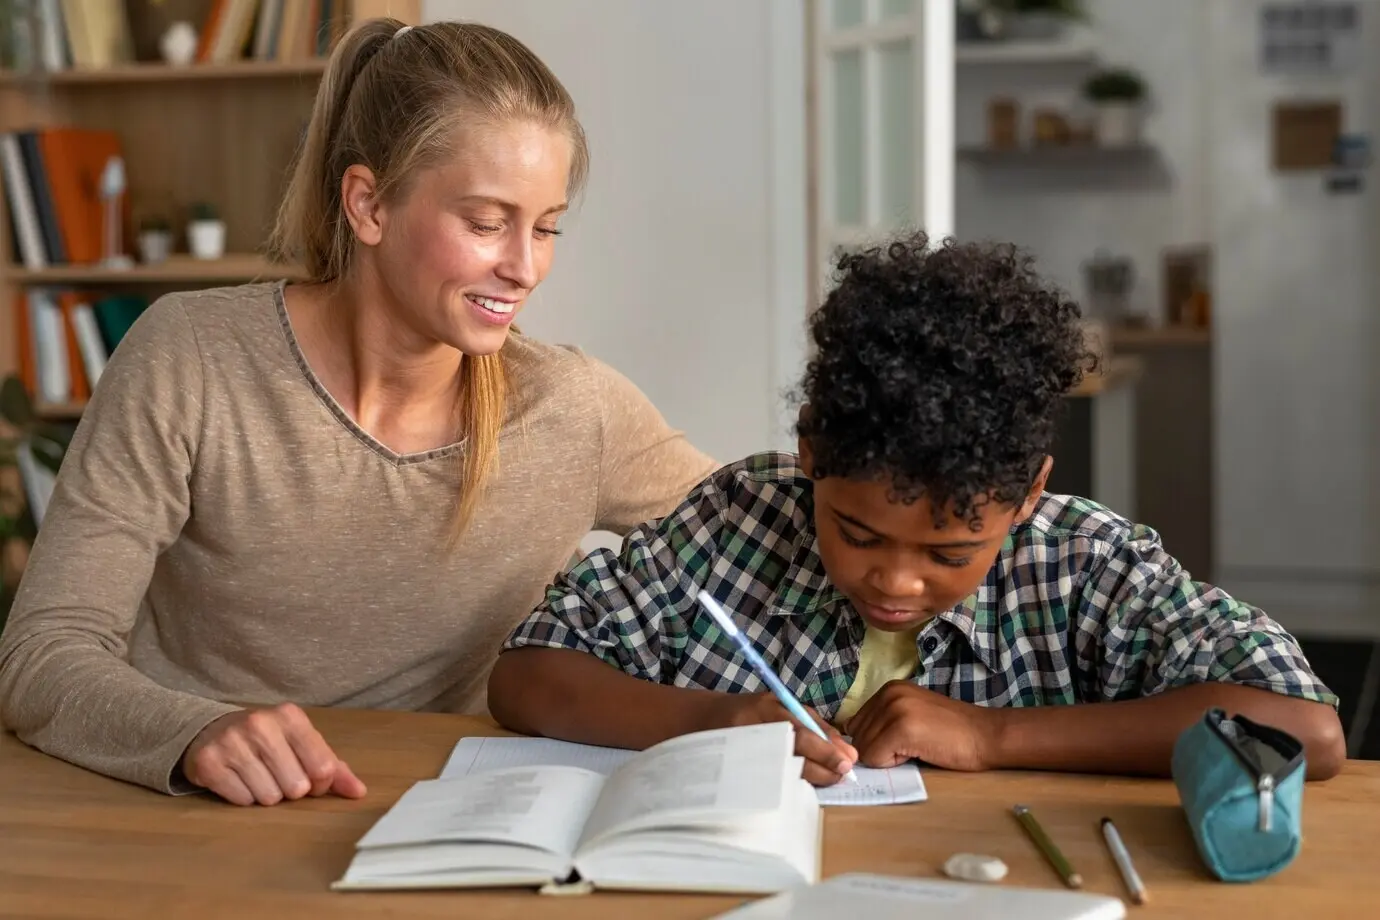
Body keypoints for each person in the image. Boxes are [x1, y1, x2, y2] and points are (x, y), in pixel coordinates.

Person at [0, 18, 716, 807]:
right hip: (202, 823)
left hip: (441, 824)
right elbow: (42, 654)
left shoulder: (572, 409)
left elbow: (783, 527)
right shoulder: (191, 359)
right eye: (486, 224)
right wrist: (195, 732)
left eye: (546, 228)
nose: (525, 267)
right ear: (368, 205)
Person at [489, 231, 1346, 785]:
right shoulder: (738, 521)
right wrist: (714, 720)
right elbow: (527, 675)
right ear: (810, 454)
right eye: (857, 533)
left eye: (949, 554)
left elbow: (1306, 729)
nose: (896, 580)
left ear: (1028, 495)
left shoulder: (1082, 565)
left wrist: (992, 737)